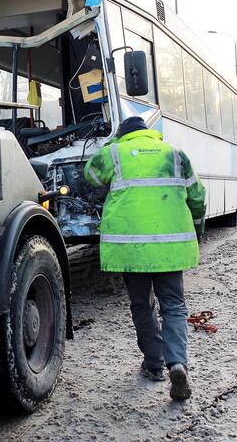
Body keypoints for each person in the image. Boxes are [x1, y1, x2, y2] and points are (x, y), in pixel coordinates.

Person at [84, 116, 206, 402]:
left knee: (141, 304)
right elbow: (197, 197)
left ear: (123, 135)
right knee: (174, 306)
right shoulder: (175, 154)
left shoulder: (114, 153)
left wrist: (113, 142)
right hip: (170, 248)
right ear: (149, 133)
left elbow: (89, 175)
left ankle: (154, 364)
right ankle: (177, 363)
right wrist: (197, 229)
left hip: (131, 248)